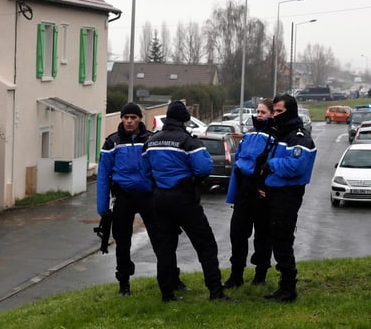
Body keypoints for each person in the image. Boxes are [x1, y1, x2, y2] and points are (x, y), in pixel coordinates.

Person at [142, 101, 230, 302]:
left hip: (160, 199)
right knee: (206, 245)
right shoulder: (188, 142)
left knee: (165, 247)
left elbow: (146, 172)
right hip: (183, 199)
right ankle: (216, 292)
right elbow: (204, 168)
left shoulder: (151, 141)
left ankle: (167, 293)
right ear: (185, 120)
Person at [97, 102, 185, 296]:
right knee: (123, 243)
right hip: (124, 198)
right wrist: (102, 206)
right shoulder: (111, 143)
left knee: (161, 240)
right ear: (121, 119)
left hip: (148, 197)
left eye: (133, 118)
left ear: (139, 119)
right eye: (126, 117)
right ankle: (124, 285)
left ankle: (173, 279)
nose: (129, 121)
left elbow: (161, 169)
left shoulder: (151, 140)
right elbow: (103, 176)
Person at [258, 94, 317, 302]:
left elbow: (296, 166)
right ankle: (284, 285)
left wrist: (271, 165)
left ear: (290, 111)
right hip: (275, 193)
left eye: (279, 112)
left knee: (282, 241)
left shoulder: (298, 136)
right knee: (277, 239)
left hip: (287, 195)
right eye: (273, 111)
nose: (275, 115)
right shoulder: (281, 133)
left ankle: (288, 289)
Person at [223, 98, 275, 288]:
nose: (259, 115)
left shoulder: (274, 138)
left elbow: (264, 166)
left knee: (262, 237)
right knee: (237, 234)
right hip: (244, 193)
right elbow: (240, 163)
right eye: (258, 112)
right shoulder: (248, 136)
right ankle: (236, 275)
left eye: (263, 112)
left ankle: (260, 276)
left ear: (271, 114)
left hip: (261, 194)